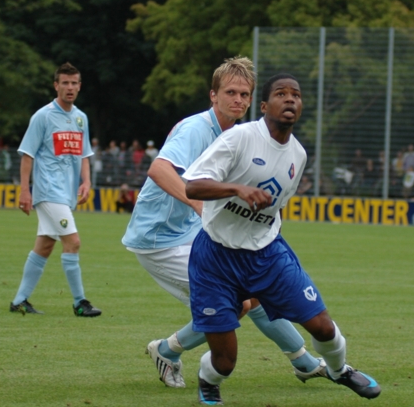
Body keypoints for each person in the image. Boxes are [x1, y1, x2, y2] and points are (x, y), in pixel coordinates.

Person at [121, 58, 328, 390]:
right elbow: (159, 170)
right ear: (213, 95)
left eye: (244, 94)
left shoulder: (240, 134)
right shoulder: (196, 129)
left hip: (193, 233)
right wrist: (199, 205)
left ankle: (303, 361)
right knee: (235, 304)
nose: (238, 100)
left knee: (253, 295)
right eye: (230, 92)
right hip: (159, 238)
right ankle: (166, 350)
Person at [183, 73, 381, 405]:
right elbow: (192, 185)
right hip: (216, 258)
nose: (290, 99)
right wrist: (237, 189)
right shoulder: (240, 138)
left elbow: (277, 207)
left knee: (323, 327)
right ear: (264, 105)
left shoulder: (298, 155)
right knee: (225, 361)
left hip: (267, 254)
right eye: (281, 93)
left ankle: (339, 370)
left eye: (296, 95)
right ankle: (208, 379)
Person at [10, 62, 101, 317]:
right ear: (56, 85)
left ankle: (19, 300)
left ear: (79, 86)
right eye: (65, 83)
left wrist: (86, 181)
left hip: (65, 193)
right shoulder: (43, 116)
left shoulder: (81, 117)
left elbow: (84, 155)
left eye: (74, 83)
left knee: (45, 246)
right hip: (48, 191)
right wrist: (24, 191)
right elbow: (27, 155)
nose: (69, 88)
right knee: (73, 242)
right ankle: (79, 303)